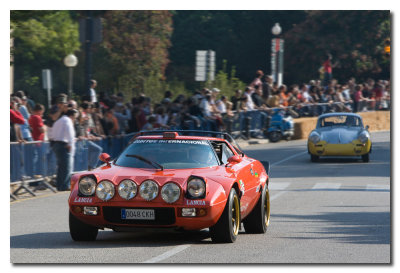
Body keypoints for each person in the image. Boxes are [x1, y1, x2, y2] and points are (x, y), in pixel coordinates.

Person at [51, 109, 78, 191]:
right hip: (63, 144)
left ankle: (59, 185)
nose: (74, 119)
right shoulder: (68, 121)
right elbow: (70, 133)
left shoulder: (58, 121)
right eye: (74, 117)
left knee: (60, 166)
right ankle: (65, 185)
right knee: (66, 166)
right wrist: (70, 143)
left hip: (56, 143)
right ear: (72, 116)